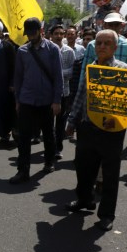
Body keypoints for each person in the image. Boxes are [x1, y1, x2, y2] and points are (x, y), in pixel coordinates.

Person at [65, 30, 127, 231]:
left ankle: (106, 214)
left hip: (112, 132)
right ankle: (84, 200)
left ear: (115, 47)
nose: (102, 46)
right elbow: (80, 96)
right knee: (83, 167)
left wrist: (115, 120)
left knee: (109, 173)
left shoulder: (124, 71)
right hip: (87, 127)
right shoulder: (90, 69)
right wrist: (71, 122)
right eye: (99, 43)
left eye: (107, 43)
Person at [10, 17, 63, 184]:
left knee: (48, 134)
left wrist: (57, 101)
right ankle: (22, 171)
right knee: (23, 137)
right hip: (26, 99)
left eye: (33, 33)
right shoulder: (22, 51)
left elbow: (58, 77)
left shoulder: (53, 49)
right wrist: (18, 100)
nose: (30, 37)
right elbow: (18, 77)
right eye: (28, 34)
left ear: (41, 31)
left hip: (46, 101)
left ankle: (49, 162)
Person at [49, 24, 77, 160]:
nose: (59, 36)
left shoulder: (69, 51)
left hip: (64, 92)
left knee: (60, 124)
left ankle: (58, 149)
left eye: (61, 34)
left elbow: (71, 72)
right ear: (51, 35)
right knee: (48, 124)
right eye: (56, 33)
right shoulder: (46, 50)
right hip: (48, 93)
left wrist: (56, 73)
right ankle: (49, 148)